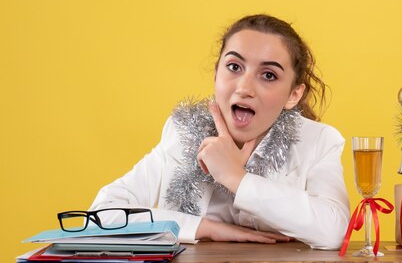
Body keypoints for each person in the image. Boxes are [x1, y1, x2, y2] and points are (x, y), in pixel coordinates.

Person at [89, 14, 351, 249]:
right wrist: (205, 229)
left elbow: (335, 231)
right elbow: (101, 216)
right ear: (216, 74)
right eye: (234, 67)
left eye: (268, 75)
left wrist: (236, 178)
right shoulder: (182, 134)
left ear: (294, 94)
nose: (245, 88)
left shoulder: (318, 141)